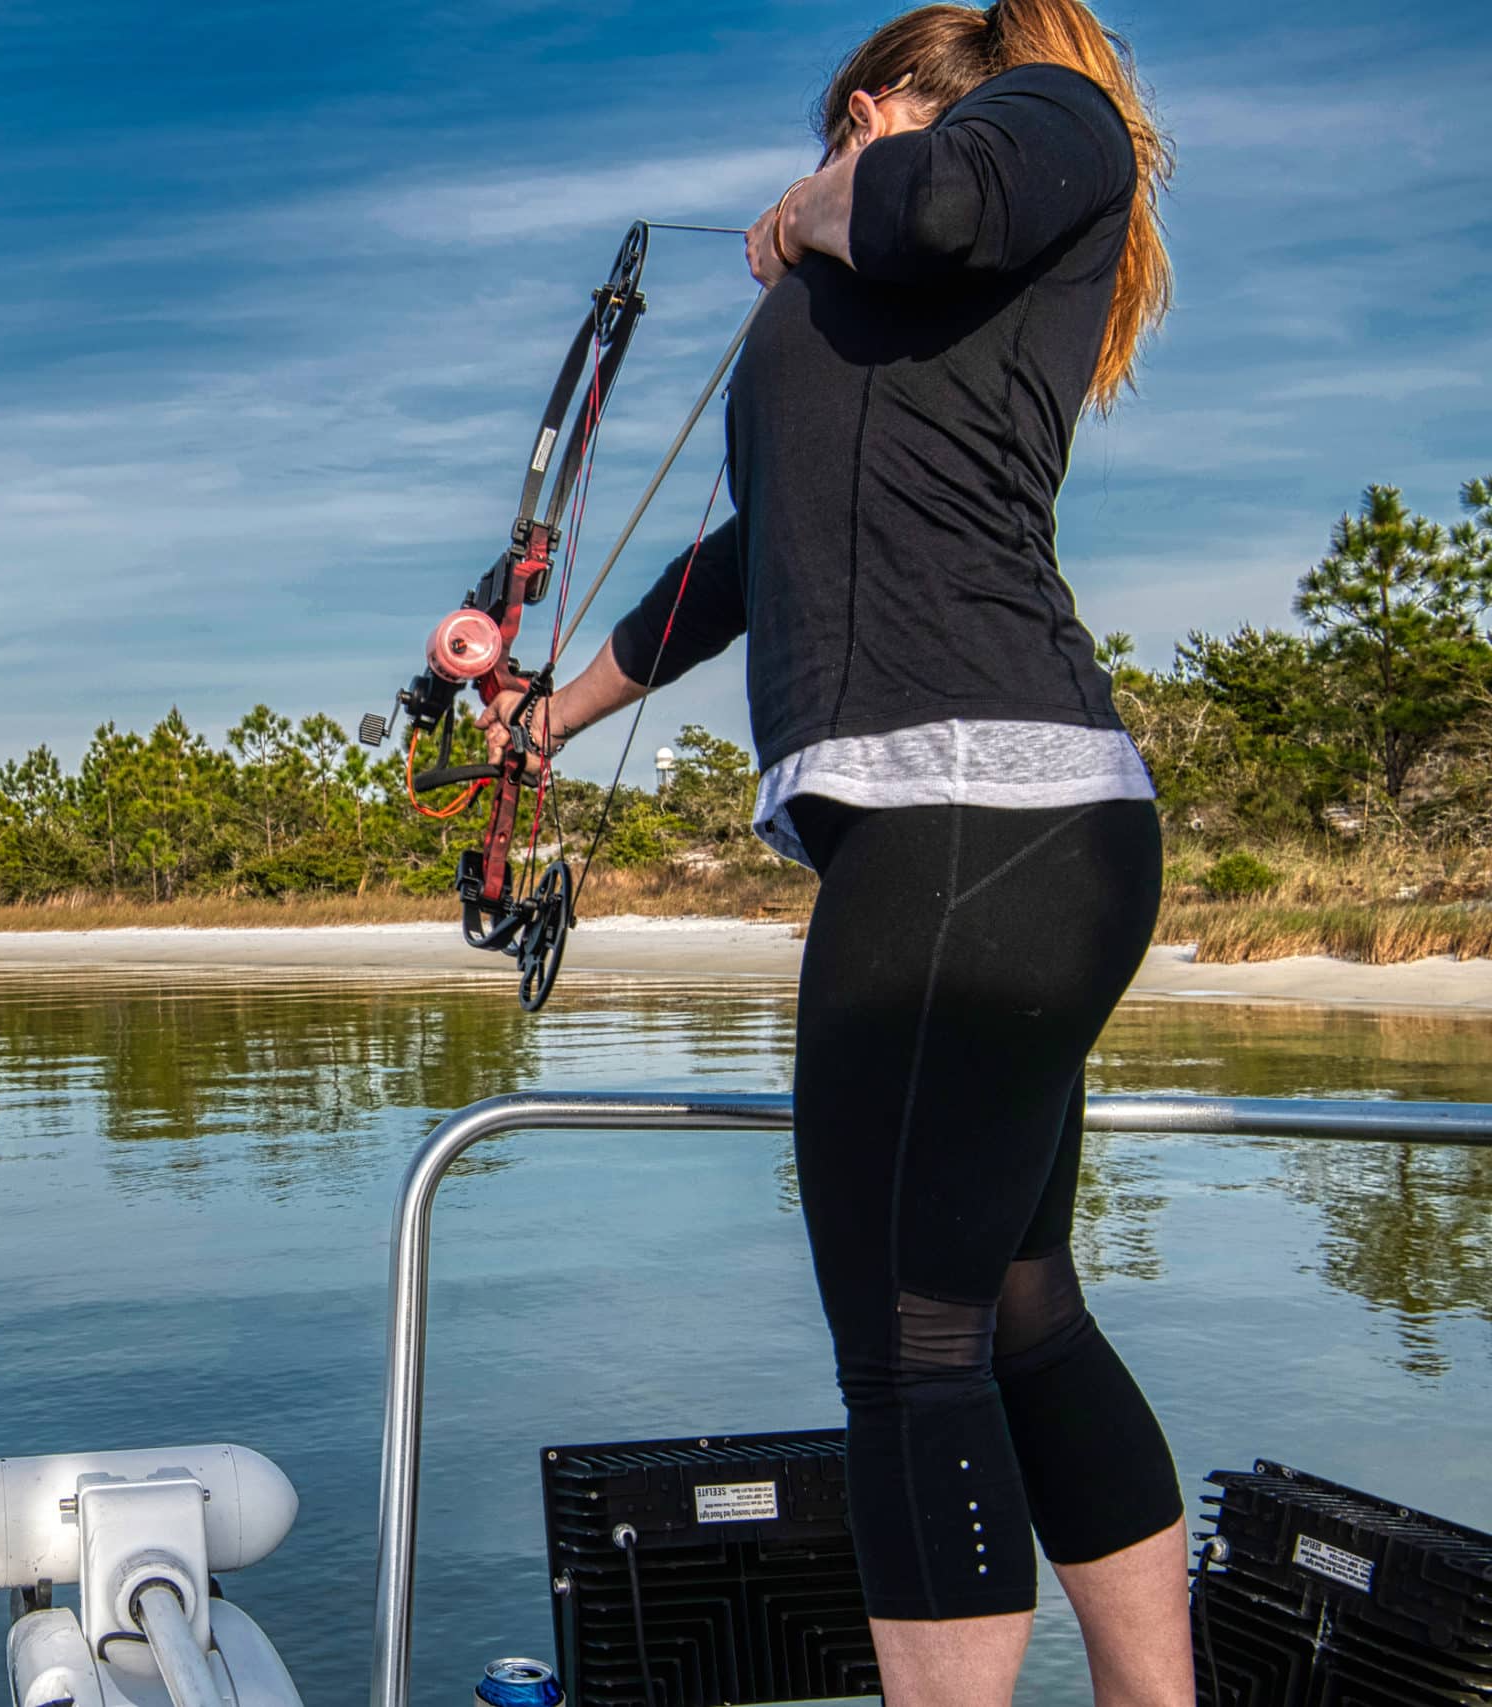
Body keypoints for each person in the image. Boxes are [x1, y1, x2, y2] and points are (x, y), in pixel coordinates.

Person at [481, 3, 1185, 1702]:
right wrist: (549, 716)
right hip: (987, 830)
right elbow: (738, 568)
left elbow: (933, 205)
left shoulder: (1050, 126)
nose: (790, 201)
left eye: (823, 153)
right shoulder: (872, 312)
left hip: (982, 810)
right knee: (1018, 1316)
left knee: (908, 1352)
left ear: (873, 113)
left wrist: (815, 208)